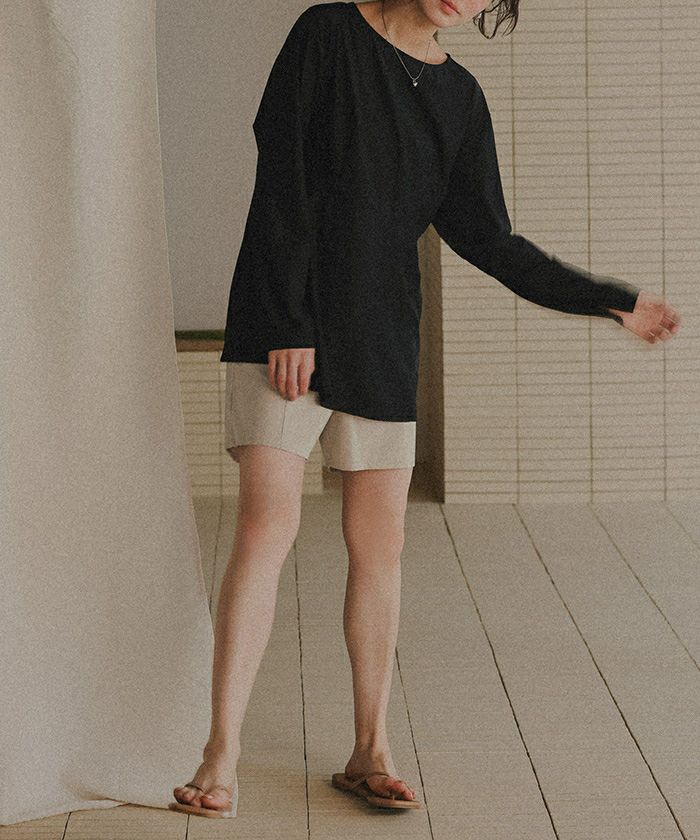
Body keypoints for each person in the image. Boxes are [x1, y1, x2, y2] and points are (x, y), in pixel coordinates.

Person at [170, 0, 682, 819]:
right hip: (283, 325)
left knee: (381, 549)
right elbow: (282, 173)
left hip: (381, 336)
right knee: (267, 529)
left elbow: (492, 240)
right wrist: (291, 320)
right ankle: (219, 754)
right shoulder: (327, 33)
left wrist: (607, 298)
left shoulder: (460, 98)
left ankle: (370, 749)